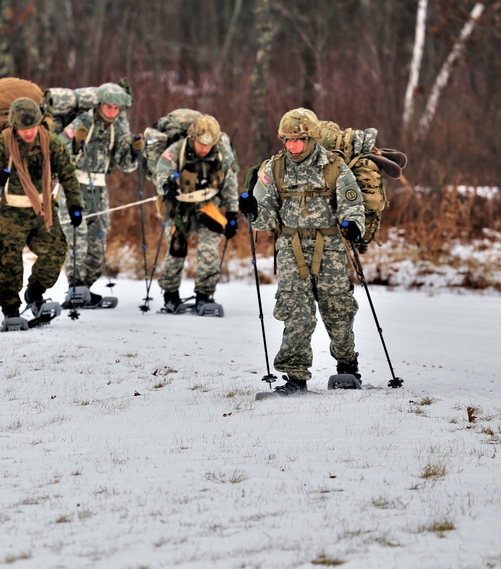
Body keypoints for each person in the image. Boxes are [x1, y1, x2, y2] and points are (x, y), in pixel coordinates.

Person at [238, 108, 365, 395]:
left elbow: (353, 205)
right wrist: (252, 211)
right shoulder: (274, 169)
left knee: (338, 309)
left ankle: (347, 365)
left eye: (298, 140)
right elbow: (266, 218)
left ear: (310, 138)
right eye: (286, 140)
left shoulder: (334, 167)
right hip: (290, 247)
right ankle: (295, 376)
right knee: (296, 311)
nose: (292, 146)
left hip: (330, 248)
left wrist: (353, 226)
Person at [0, 97, 83, 326]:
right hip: (11, 212)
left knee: (56, 252)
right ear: (15, 126)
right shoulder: (2, 143)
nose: (29, 133)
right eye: (24, 129)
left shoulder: (50, 142)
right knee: (9, 262)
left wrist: (75, 204)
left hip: (42, 211)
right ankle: (10, 309)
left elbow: (68, 174)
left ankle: (34, 294)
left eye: (32, 127)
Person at [57, 82, 141, 308]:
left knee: (99, 238)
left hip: (100, 187)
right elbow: (59, 150)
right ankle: (74, 287)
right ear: (100, 104)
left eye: (116, 108)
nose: (112, 112)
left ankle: (86, 286)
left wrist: (135, 153)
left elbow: (125, 164)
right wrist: (74, 145)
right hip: (74, 184)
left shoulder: (118, 127)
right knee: (77, 235)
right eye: (108, 107)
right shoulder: (83, 120)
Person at [153, 114, 240, 314]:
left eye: (208, 145)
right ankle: (170, 295)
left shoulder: (223, 153)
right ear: (193, 138)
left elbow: (230, 183)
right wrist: (167, 186)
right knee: (176, 250)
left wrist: (233, 213)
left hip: (208, 206)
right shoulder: (176, 150)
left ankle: (204, 296)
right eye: (201, 144)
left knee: (209, 251)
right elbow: (162, 172)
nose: (204, 148)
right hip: (179, 207)